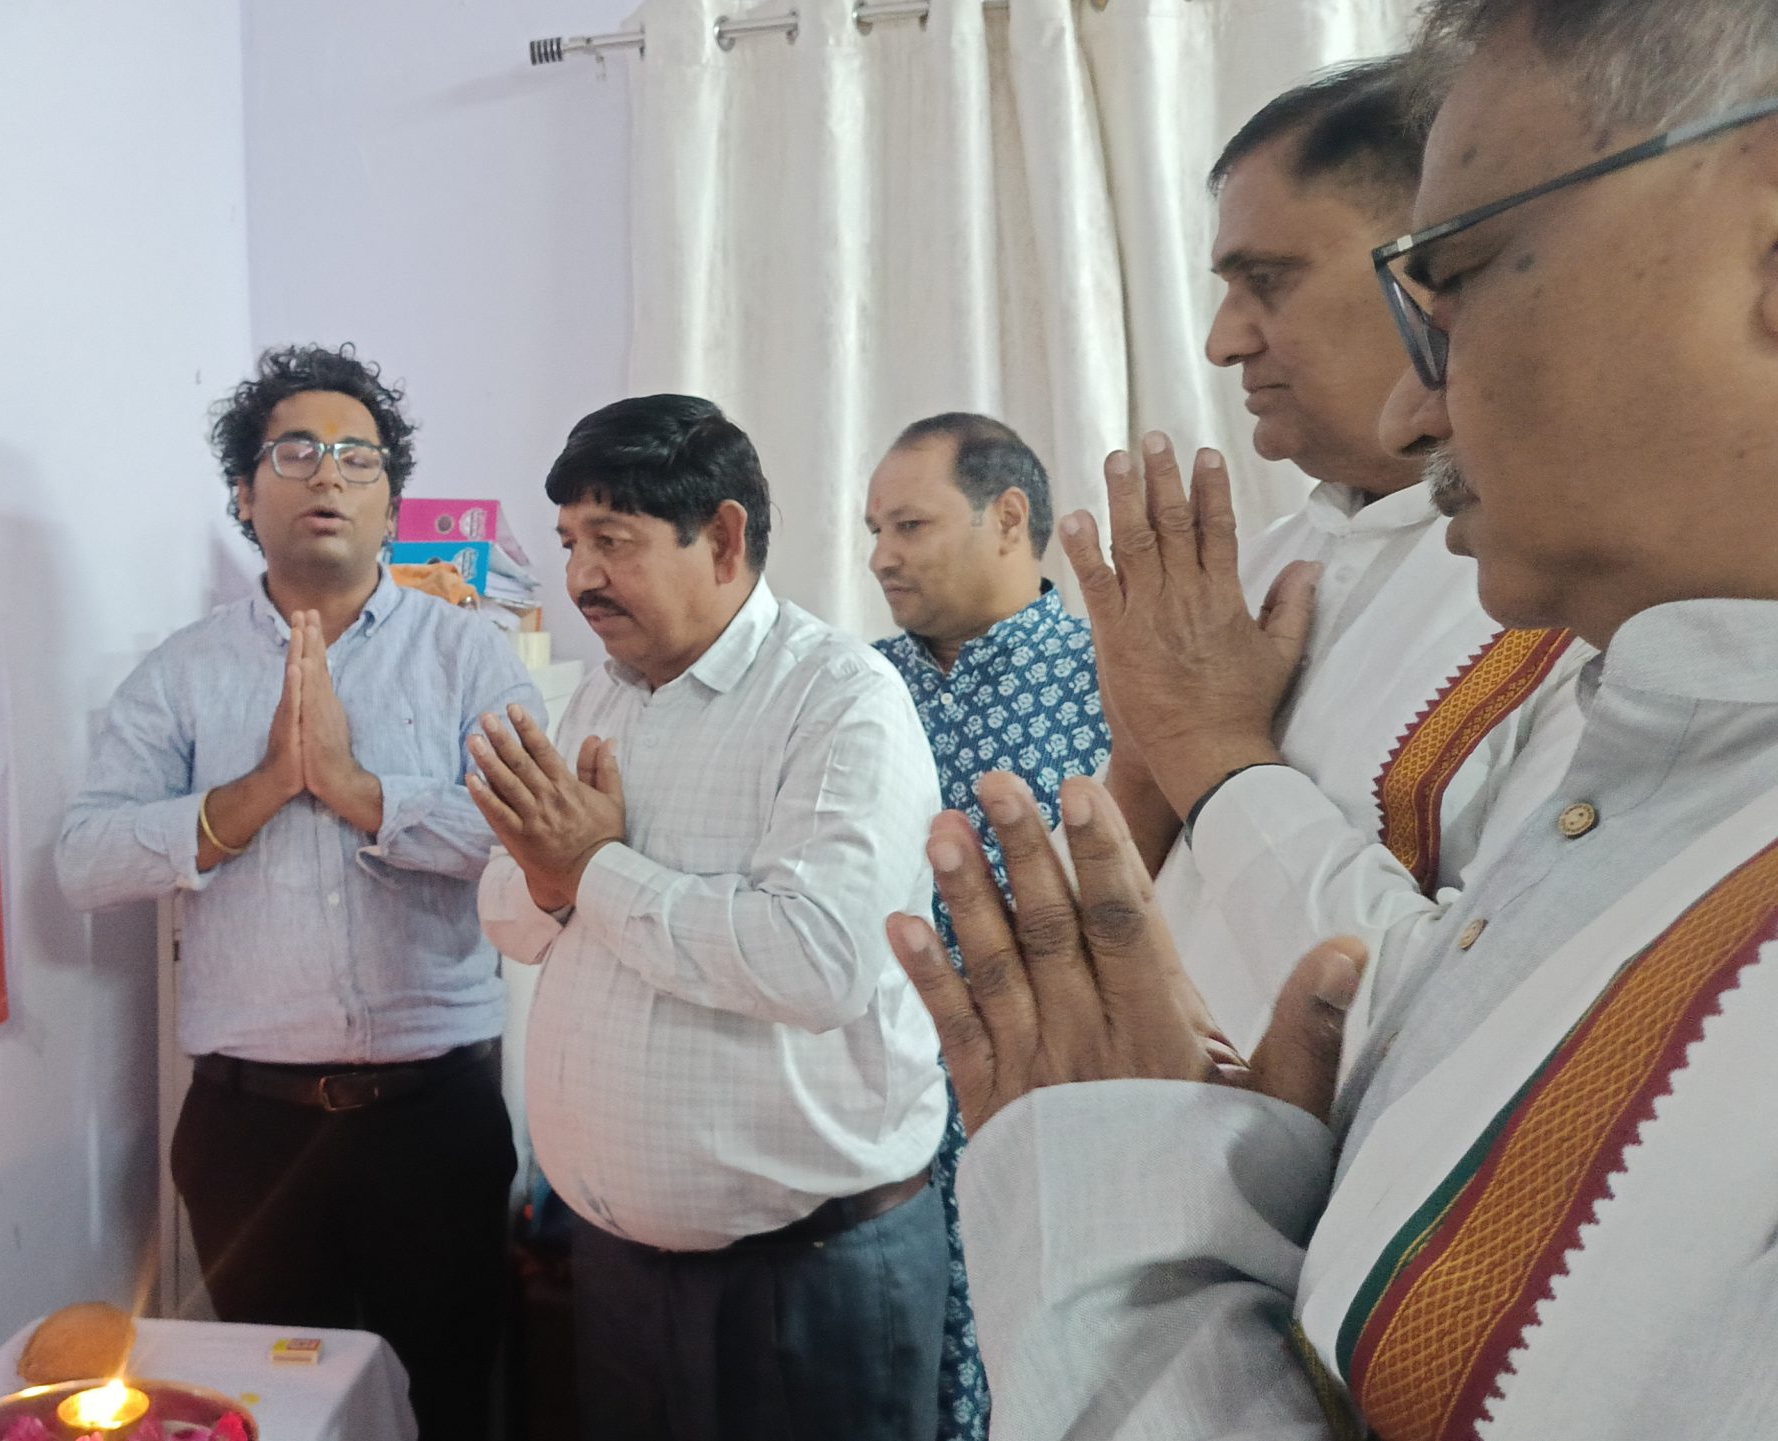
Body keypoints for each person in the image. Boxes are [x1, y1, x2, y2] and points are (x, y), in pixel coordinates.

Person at [895, 3, 1778, 1435]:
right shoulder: (1288, 568)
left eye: (1453, 277)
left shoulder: (1571, 610)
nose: (1426, 409)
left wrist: (1217, 764)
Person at [57, 344, 538, 1441]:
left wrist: (361, 792)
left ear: (391, 502)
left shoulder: (470, 659)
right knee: (273, 1417)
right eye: (296, 452)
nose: (327, 475)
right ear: (244, 491)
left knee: (454, 1401)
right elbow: (85, 860)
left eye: (358, 458)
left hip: (434, 1120)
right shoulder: (182, 673)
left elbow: (528, 843)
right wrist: (260, 791)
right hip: (247, 1131)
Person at [475, 395, 948, 1441]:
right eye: (570, 542)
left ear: (724, 538)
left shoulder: (838, 698)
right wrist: (557, 878)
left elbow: (817, 961)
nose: (580, 576)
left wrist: (591, 869)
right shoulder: (603, 695)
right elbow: (508, 912)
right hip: (618, 1270)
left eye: (613, 541)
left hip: (805, 1281)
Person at [1092, 59, 1588, 1049]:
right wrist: (1145, 764)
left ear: (1441, 272)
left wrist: (1210, 747)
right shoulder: (1247, 568)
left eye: (1267, 282)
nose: (1222, 342)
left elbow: (1476, 1031)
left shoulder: (1594, 592)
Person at [863, 411, 1107, 1441]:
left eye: (909, 525)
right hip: (881, 1130)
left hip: (1068, 1120)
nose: (881, 556)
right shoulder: (852, 689)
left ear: (1008, 517)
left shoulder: (1117, 680)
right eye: (874, 530)